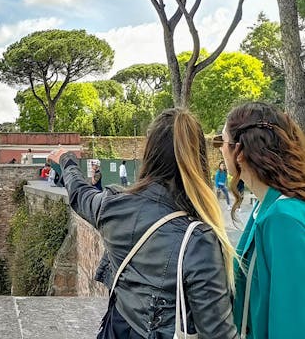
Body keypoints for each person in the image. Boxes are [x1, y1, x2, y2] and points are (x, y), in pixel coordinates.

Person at [50, 108, 237, 338]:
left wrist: (66, 160)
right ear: (199, 159)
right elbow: (218, 333)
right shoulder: (199, 241)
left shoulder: (111, 205)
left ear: (149, 153)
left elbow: (80, 194)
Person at [216, 101, 305, 338]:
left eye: (222, 142)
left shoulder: (284, 219)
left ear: (240, 151)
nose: (220, 149)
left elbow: (291, 324)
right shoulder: (266, 209)